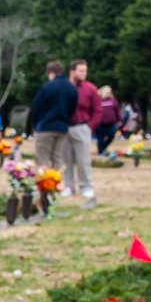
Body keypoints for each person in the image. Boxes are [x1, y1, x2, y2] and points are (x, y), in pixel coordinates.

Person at [27, 61, 76, 181]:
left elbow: (36, 108)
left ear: (51, 73)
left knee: (42, 158)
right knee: (58, 157)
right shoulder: (72, 88)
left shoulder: (47, 87)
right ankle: (59, 184)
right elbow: (72, 108)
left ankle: (44, 184)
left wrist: (35, 124)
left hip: (46, 126)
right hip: (62, 127)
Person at [66, 59, 97, 205]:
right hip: (65, 127)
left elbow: (97, 110)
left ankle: (86, 186)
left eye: (85, 71)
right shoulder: (63, 87)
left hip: (82, 126)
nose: (84, 73)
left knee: (84, 160)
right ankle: (68, 186)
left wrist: (90, 127)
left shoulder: (90, 89)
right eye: (81, 71)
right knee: (66, 160)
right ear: (72, 72)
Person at [94, 86, 121, 153]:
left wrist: (119, 120)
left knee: (111, 136)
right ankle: (101, 152)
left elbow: (117, 111)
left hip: (111, 123)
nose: (108, 93)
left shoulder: (113, 101)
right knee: (101, 139)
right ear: (102, 92)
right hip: (100, 124)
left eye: (109, 91)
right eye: (106, 91)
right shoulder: (97, 101)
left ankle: (103, 148)